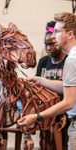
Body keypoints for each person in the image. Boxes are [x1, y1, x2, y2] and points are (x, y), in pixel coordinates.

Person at [17, 12, 76, 149]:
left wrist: (37, 116)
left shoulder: (71, 60)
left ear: (70, 34)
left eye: (57, 31)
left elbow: (68, 102)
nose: (53, 36)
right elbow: (69, 87)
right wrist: (40, 80)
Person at [36, 20, 68, 150]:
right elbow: (37, 89)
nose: (48, 48)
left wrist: (64, 114)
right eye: (46, 44)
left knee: (62, 144)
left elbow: (70, 91)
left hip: (65, 111)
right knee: (45, 145)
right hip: (46, 111)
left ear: (59, 43)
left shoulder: (68, 61)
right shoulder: (43, 62)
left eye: (52, 44)